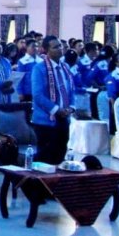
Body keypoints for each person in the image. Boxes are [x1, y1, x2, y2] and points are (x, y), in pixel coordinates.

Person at [31, 36, 75, 164]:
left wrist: (71, 107)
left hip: (64, 119)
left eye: (60, 46)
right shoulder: (39, 68)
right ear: (46, 50)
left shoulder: (65, 67)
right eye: (55, 47)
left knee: (60, 156)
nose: (60, 49)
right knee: (45, 160)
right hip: (46, 120)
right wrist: (56, 110)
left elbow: (71, 90)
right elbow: (38, 95)